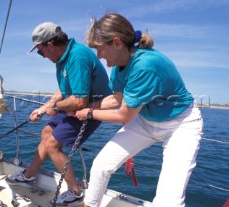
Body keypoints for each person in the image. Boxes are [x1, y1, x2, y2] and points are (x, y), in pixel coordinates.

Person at [75, 13, 203, 207]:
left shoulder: (145, 65)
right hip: (146, 121)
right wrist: (87, 106)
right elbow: (116, 99)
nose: (98, 56)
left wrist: (89, 113)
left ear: (116, 42)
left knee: (168, 201)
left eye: (99, 49)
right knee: (101, 165)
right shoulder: (119, 66)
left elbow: (123, 115)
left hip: (181, 125)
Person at [7, 22, 112, 205]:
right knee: (46, 133)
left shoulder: (77, 56)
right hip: (73, 104)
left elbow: (79, 101)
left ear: (50, 45)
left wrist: (54, 108)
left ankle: (74, 191)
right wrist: (42, 108)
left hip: (90, 108)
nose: (43, 56)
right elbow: (63, 90)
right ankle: (30, 175)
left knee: (53, 144)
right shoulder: (62, 59)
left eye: (41, 52)